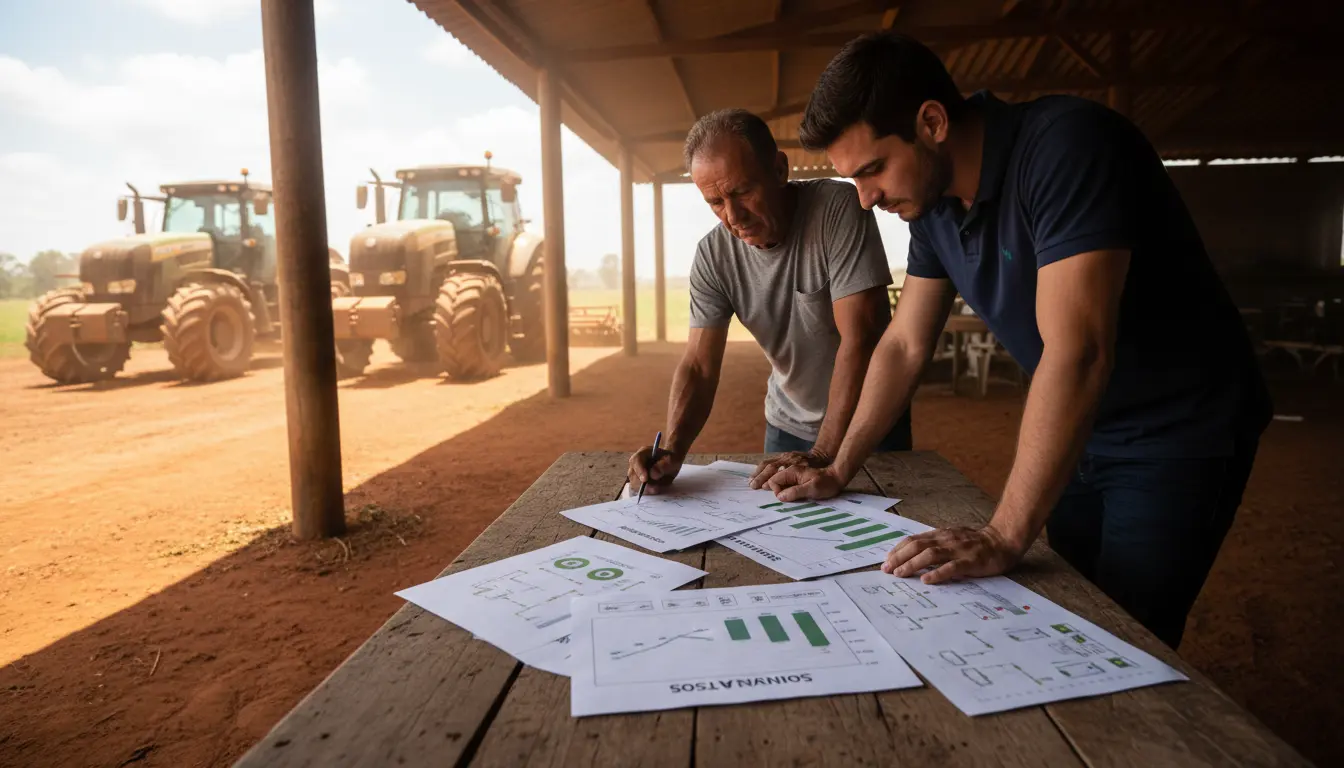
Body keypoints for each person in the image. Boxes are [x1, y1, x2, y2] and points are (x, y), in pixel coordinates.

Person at [767, 32, 1272, 649]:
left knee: (1129, 636)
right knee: (1076, 611)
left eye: (872, 169)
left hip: (1174, 432)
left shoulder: (1068, 147)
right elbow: (904, 345)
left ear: (932, 122)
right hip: (1080, 429)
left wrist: (1004, 534)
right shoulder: (930, 205)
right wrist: (837, 465)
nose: (866, 199)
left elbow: (1078, 351)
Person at [627, 108, 913, 496]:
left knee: (880, 547)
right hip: (786, 427)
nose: (733, 216)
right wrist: (672, 449)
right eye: (715, 202)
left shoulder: (837, 209)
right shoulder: (713, 256)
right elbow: (698, 365)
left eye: (743, 191)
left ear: (780, 170)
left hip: (868, 425)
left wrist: (824, 452)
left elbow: (860, 339)